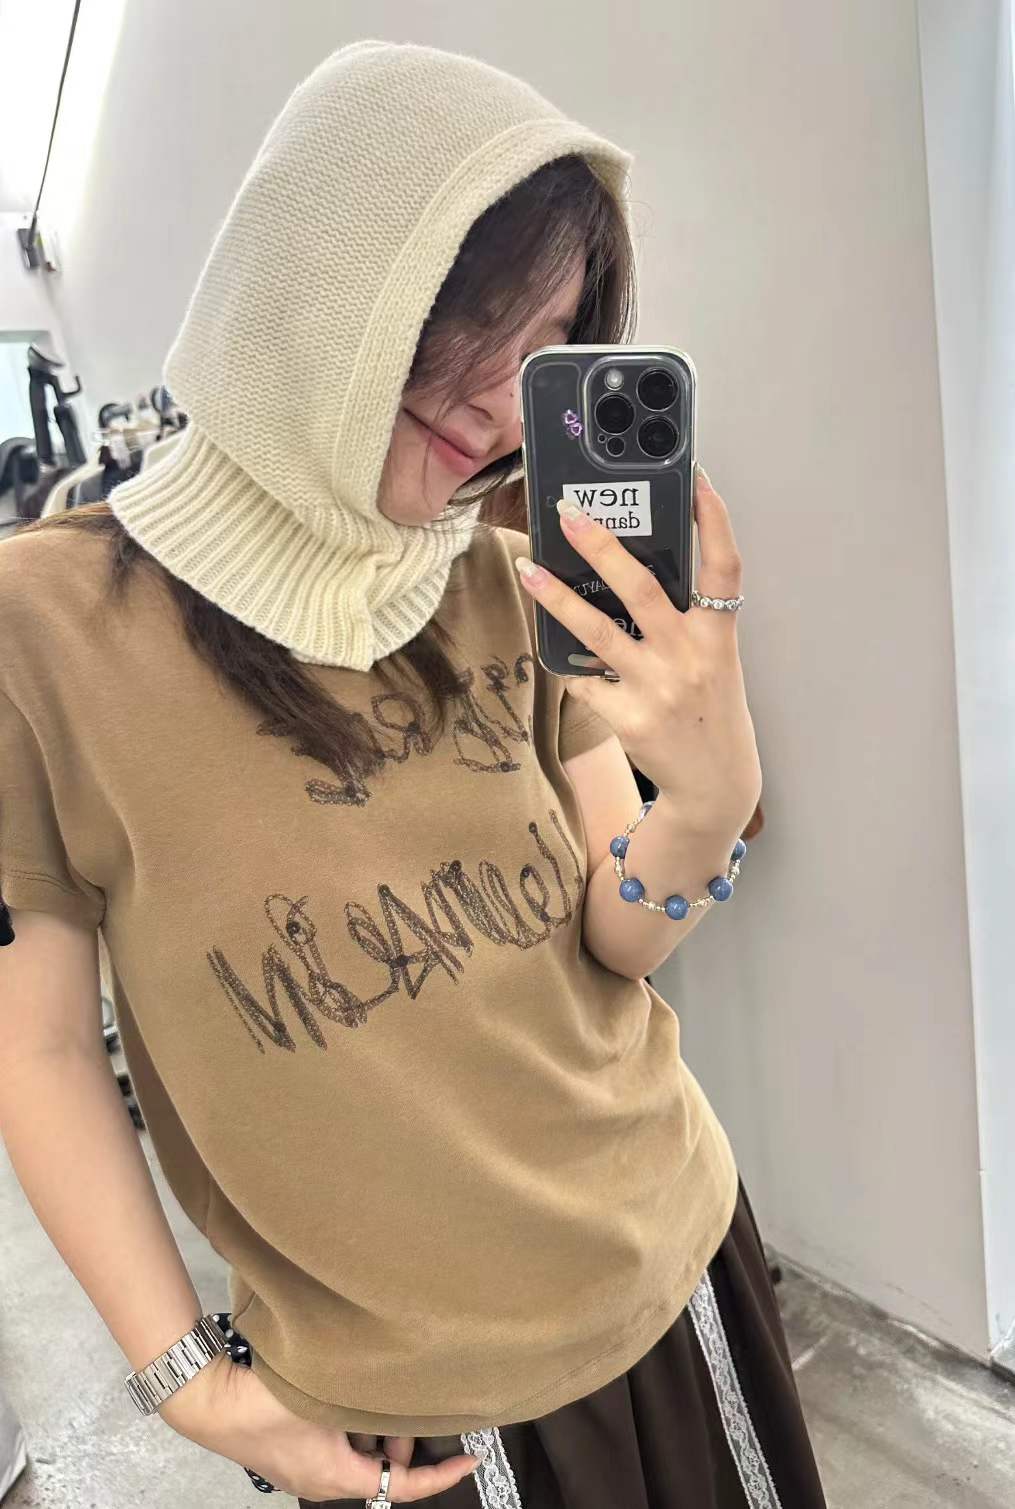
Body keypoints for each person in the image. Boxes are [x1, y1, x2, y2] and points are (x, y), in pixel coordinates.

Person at [0, 40, 824, 1509]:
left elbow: (617, 935)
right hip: (409, 1419)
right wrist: (193, 1385)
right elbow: (45, 1049)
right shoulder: (43, 630)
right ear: (325, 266)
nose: (503, 406)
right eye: (472, 316)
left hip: (675, 1265)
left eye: (551, 344)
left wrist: (705, 799)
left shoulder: (506, 580)